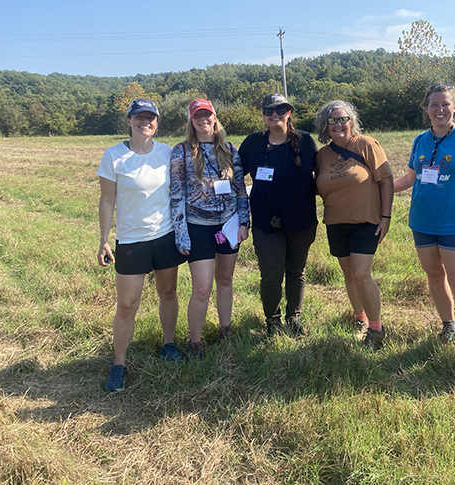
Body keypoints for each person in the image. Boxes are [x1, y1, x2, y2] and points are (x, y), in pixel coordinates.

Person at [97, 98, 188, 393]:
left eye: (150, 117)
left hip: (164, 236)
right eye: (139, 117)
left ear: (157, 123)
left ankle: (169, 344)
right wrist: (104, 240)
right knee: (126, 304)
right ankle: (119, 364)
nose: (144, 122)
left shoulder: (167, 153)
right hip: (131, 240)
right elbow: (107, 200)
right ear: (129, 120)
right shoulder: (113, 156)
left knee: (168, 292)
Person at [393, 84, 455, 345]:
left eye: (445, 104)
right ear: (426, 109)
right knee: (435, 276)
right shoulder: (420, 141)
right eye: (434, 105)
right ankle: (449, 326)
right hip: (422, 222)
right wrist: (377, 190)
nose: (440, 109)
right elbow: (409, 179)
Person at [170, 99, 250, 358]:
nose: (203, 120)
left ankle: (225, 329)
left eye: (207, 115)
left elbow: (240, 189)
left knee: (225, 280)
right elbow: (176, 195)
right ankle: (195, 341)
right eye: (197, 116)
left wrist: (244, 222)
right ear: (191, 121)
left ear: (215, 118)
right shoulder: (181, 152)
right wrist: (181, 233)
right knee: (202, 288)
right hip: (197, 227)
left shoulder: (228, 149)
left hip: (228, 226)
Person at [314, 100, 393, 349]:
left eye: (343, 119)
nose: (338, 124)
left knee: (361, 273)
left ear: (352, 122)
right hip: (336, 222)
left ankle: (376, 328)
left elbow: (387, 180)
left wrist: (386, 216)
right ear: (325, 125)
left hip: (366, 221)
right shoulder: (322, 155)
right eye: (332, 120)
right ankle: (359, 318)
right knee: (349, 275)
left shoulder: (366, 144)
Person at [238, 94, 318, 336]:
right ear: (263, 114)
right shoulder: (253, 144)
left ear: (289, 112)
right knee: (271, 275)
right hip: (265, 221)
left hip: (301, 220)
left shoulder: (304, 141)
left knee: (296, 272)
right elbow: (233, 175)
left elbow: (324, 173)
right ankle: (272, 322)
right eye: (269, 110)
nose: (275, 114)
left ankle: (294, 318)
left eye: (280, 109)